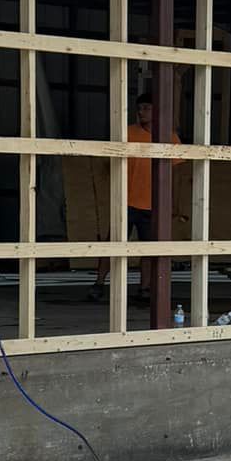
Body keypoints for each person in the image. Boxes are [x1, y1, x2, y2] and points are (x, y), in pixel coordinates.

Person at [90, 96, 181, 306]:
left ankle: (145, 288)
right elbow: (109, 162)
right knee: (112, 244)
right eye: (139, 108)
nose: (142, 112)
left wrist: (174, 202)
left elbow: (175, 174)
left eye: (147, 108)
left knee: (148, 249)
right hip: (127, 201)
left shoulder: (169, 137)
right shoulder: (128, 133)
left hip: (153, 203)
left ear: (157, 111)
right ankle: (99, 283)